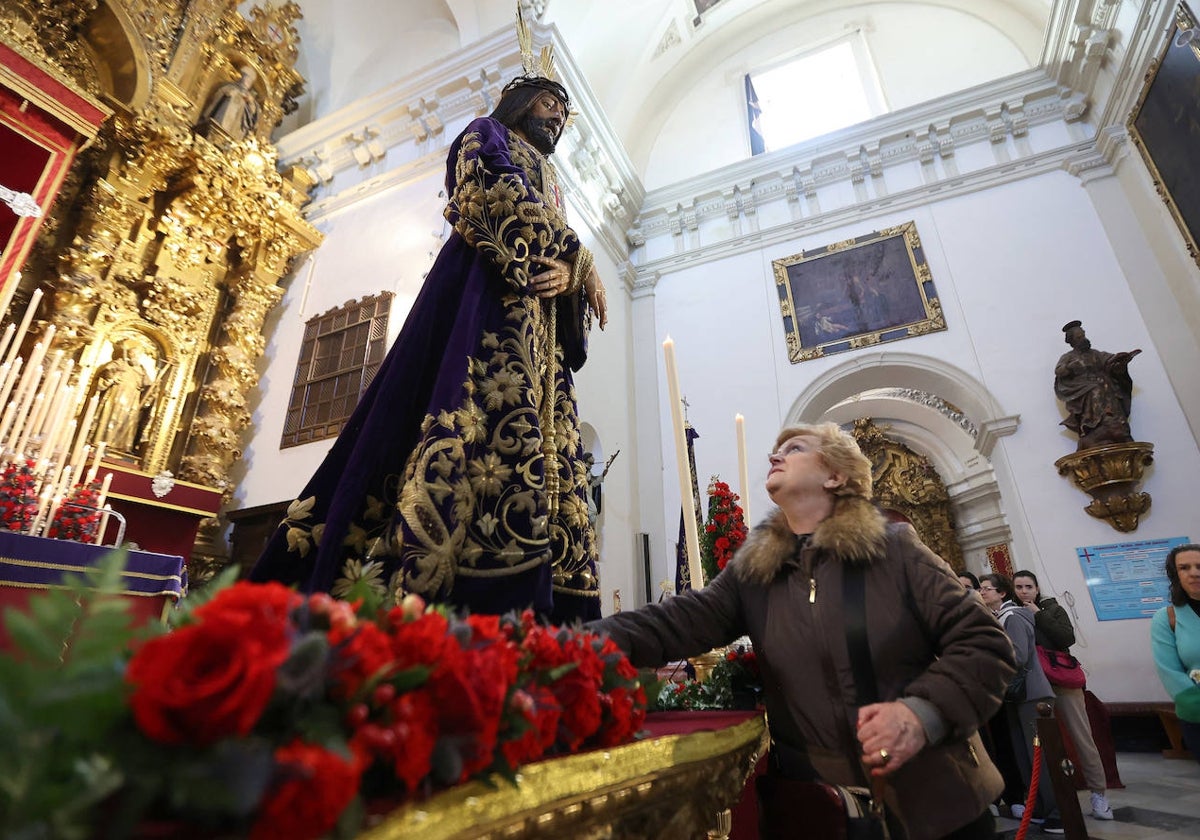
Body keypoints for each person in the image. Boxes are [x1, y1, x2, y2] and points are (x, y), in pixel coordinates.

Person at [250, 70, 608, 624]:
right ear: (517, 104)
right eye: (547, 103)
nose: (557, 117)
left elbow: (557, 261)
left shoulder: (556, 185)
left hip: (542, 347)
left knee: (549, 463)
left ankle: (548, 630)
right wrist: (576, 256)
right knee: (468, 439)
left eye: (564, 112)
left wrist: (569, 270)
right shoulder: (486, 133)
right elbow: (485, 190)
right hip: (484, 308)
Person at [591, 422, 1015, 839]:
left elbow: (985, 644)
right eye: (776, 449)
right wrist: (571, 644)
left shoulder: (895, 550)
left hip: (936, 806)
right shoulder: (753, 572)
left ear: (835, 475)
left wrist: (920, 715)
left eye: (794, 448)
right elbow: (674, 622)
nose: (775, 455)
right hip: (819, 812)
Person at [1013, 569, 1114, 819]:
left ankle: (1099, 794)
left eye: (1028, 587)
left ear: (1037, 589)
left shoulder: (1053, 610)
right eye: (1019, 587)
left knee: (1082, 737)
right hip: (1034, 685)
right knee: (1041, 743)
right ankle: (1049, 799)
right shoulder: (1013, 615)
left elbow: (1066, 638)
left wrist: (1039, 615)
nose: (1024, 592)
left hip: (1061, 679)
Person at [979, 574, 1063, 834]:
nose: (982, 593)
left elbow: (1018, 655)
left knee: (1041, 755)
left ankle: (1057, 811)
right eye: (980, 589)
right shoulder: (996, 619)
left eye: (986, 589)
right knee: (1023, 754)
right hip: (1014, 696)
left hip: (1032, 696)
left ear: (1002, 593)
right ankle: (1037, 806)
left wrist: (984, 658)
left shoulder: (1012, 617)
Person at [1053, 320, 1141, 450]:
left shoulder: (1096, 354)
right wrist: (1071, 366)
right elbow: (1059, 371)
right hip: (1083, 389)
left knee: (1107, 387)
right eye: (1079, 337)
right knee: (1096, 388)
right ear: (1072, 341)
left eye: (1083, 335)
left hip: (1105, 385)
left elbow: (1110, 361)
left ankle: (1115, 421)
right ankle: (1095, 423)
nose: (1083, 338)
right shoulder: (1069, 356)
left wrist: (1121, 362)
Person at [1151, 543, 1200, 763]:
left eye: (1199, 566)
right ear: (1175, 575)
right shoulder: (1167, 617)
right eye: (1185, 567)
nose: (1194, 573)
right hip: (1196, 711)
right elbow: (1168, 670)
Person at [90, 340, 155, 453]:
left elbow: (149, 386)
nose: (133, 356)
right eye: (131, 353)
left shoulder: (141, 369)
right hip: (116, 395)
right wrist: (113, 377)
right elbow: (107, 371)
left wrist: (150, 394)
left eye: (136, 354)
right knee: (111, 417)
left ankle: (122, 447)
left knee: (127, 421)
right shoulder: (120, 363)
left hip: (132, 399)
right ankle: (103, 442)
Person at [200, 65, 260, 140]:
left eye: (249, 81)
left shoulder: (250, 98)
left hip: (235, 127)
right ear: (242, 78)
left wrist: (250, 102)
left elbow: (252, 115)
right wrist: (231, 93)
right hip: (220, 120)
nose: (247, 82)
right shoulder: (230, 87)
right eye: (246, 79)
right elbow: (218, 96)